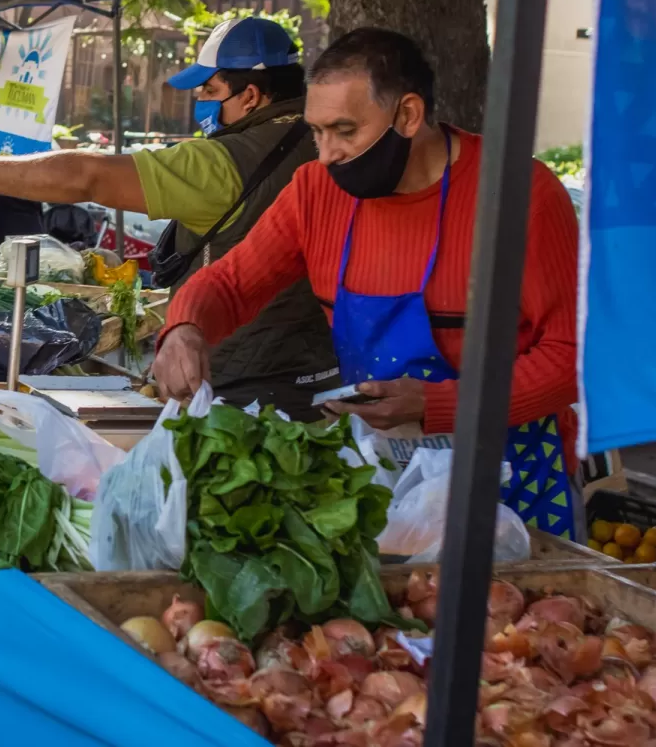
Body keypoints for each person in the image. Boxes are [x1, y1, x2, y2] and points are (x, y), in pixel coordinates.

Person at [153, 27, 582, 537]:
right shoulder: (315, 190)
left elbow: (571, 359)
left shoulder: (521, 195)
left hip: (512, 481)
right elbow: (229, 284)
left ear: (407, 115)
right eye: (317, 131)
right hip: (386, 477)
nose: (327, 152)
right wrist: (184, 327)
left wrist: (437, 404)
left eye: (344, 131)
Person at [0, 16, 339, 419]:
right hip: (319, 373)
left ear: (252, 96)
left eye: (210, 91)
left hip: (245, 384)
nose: (200, 103)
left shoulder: (228, 161)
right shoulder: (322, 148)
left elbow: (89, 176)